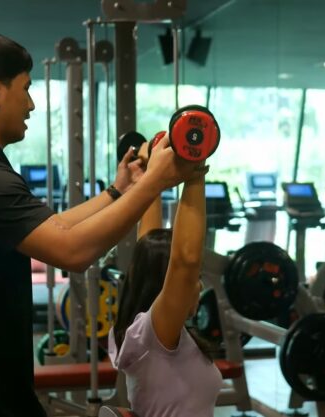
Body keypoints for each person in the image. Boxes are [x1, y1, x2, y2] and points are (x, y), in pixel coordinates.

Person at [0, 33, 206, 417]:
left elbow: (53, 228)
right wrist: (155, 181)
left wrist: (119, 190)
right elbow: (73, 251)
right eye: (25, 88)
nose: (32, 104)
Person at [109, 134, 222, 417]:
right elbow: (185, 261)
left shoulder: (138, 330)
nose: (197, 285)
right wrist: (195, 170)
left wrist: (151, 174)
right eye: (193, 280)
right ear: (164, 284)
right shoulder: (154, 334)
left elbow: (149, 248)